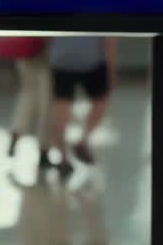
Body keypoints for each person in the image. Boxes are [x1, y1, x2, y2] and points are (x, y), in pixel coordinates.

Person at [45, 36, 117, 172]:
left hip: (63, 59)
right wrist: (111, 68)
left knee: (61, 109)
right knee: (98, 103)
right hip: (89, 59)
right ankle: (79, 144)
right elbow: (109, 38)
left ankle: (65, 155)